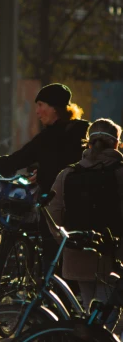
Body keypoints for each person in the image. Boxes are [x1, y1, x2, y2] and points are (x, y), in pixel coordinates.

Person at [0, 83, 89, 266]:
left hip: (56, 208)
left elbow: (14, 161)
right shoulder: (83, 129)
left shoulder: (50, 138)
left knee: (52, 261)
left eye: (41, 105)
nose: (38, 111)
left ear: (55, 107)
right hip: (85, 208)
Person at [47, 118, 123, 312]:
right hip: (112, 254)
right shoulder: (120, 172)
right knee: (107, 313)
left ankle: (88, 339)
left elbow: (53, 212)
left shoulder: (68, 173)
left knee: (89, 307)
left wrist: (67, 242)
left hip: (77, 252)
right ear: (117, 143)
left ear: (88, 142)